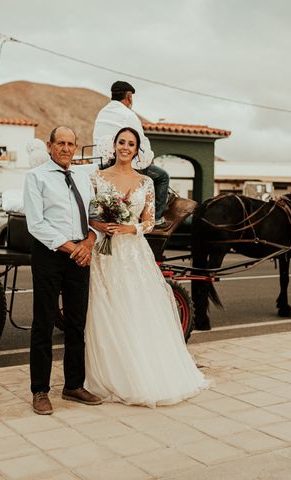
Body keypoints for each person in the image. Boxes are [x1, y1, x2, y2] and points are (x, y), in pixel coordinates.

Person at [85, 127, 209, 406]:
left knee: (136, 306)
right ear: (114, 146)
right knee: (107, 308)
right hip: (105, 251)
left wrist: (131, 228)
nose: (125, 147)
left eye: (131, 143)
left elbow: (151, 221)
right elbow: (90, 214)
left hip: (133, 252)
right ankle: (111, 374)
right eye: (121, 142)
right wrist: (101, 225)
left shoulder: (146, 182)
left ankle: (143, 371)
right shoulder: (97, 177)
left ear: (137, 149)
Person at [23, 126, 102, 415]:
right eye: (61, 143)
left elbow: (94, 216)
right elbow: (37, 223)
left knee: (77, 323)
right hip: (50, 255)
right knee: (43, 323)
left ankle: (73, 385)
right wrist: (73, 248)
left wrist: (90, 241)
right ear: (50, 145)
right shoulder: (36, 177)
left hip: (80, 256)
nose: (66, 148)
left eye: (71, 143)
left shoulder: (82, 176)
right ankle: (40, 390)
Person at [93, 80, 171, 228]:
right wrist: (148, 159)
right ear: (129, 96)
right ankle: (158, 218)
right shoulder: (128, 114)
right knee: (162, 176)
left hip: (99, 160)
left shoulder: (102, 113)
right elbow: (141, 142)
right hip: (118, 161)